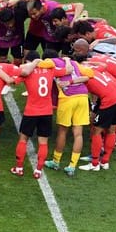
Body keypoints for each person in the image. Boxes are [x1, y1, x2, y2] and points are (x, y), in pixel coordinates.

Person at [10, 50, 71, 179]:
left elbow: (12, 80)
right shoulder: (50, 70)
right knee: (43, 142)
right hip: (47, 112)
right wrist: (66, 60)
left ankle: (19, 168)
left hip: (31, 111)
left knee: (23, 139)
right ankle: (38, 170)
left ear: (28, 61)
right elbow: (68, 71)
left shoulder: (28, 72)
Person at [43, 49, 92, 177]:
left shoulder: (50, 62)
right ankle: (72, 166)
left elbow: (39, 65)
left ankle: (56, 161)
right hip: (82, 96)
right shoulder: (74, 63)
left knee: (62, 131)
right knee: (78, 132)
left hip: (67, 98)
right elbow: (90, 74)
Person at [78, 65, 116, 171]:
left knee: (96, 131)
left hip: (109, 101)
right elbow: (103, 67)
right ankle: (105, 161)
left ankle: (94, 164)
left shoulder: (83, 77)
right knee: (111, 130)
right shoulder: (94, 70)